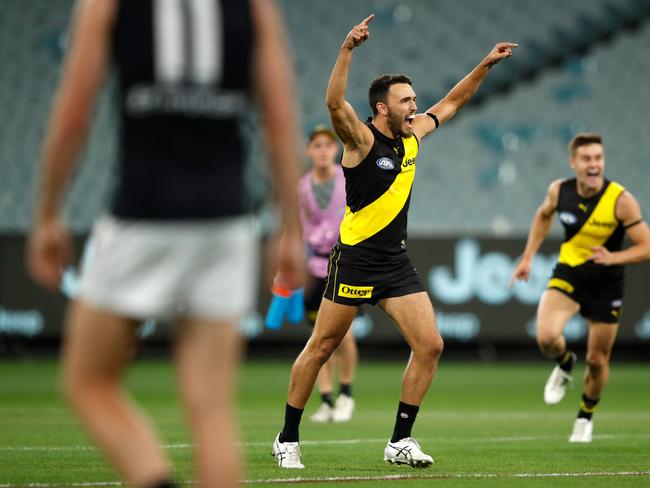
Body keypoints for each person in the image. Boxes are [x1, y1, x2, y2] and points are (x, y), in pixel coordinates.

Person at [26, 1, 304, 487]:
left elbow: (74, 112)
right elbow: (278, 117)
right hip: (225, 221)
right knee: (212, 409)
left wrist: (49, 211)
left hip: (142, 214)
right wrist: (289, 228)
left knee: (88, 382)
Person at [271, 14, 516, 469]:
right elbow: (333, 102)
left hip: (394, 261)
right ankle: (287, 437)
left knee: (431, 345)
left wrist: (485, 64)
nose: (415, 106)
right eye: (406, 100)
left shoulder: (416, 134)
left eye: (415, 99)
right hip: (356, 260)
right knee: (322, 347)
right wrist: (346, 50)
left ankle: (400, 441)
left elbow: (454, 101)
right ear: (383, 107)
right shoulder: (361, 142)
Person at [510, 133, 650, 443]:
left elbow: (646, 246)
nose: (594, 164)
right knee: (546, 338)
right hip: (570, 273)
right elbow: (543, 215)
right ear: (574, 162)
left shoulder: (621, 200)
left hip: (606, 283)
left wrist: (613, 257)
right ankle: (565, 363)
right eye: (587, 159)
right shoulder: (560, 191)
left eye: (598, 158)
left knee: (598, 360)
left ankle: (585, 415)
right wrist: (528, 257)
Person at [299, 125, 358, 423]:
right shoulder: (302, 188)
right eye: (316, 145)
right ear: (309, 151)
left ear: (335, 150)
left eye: (327, 145)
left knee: (343, 335)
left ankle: (346, 393)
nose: (322, 150)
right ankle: (325, 400)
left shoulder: (347, 178)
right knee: (318, 337)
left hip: (343, 264)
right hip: (313, 268)